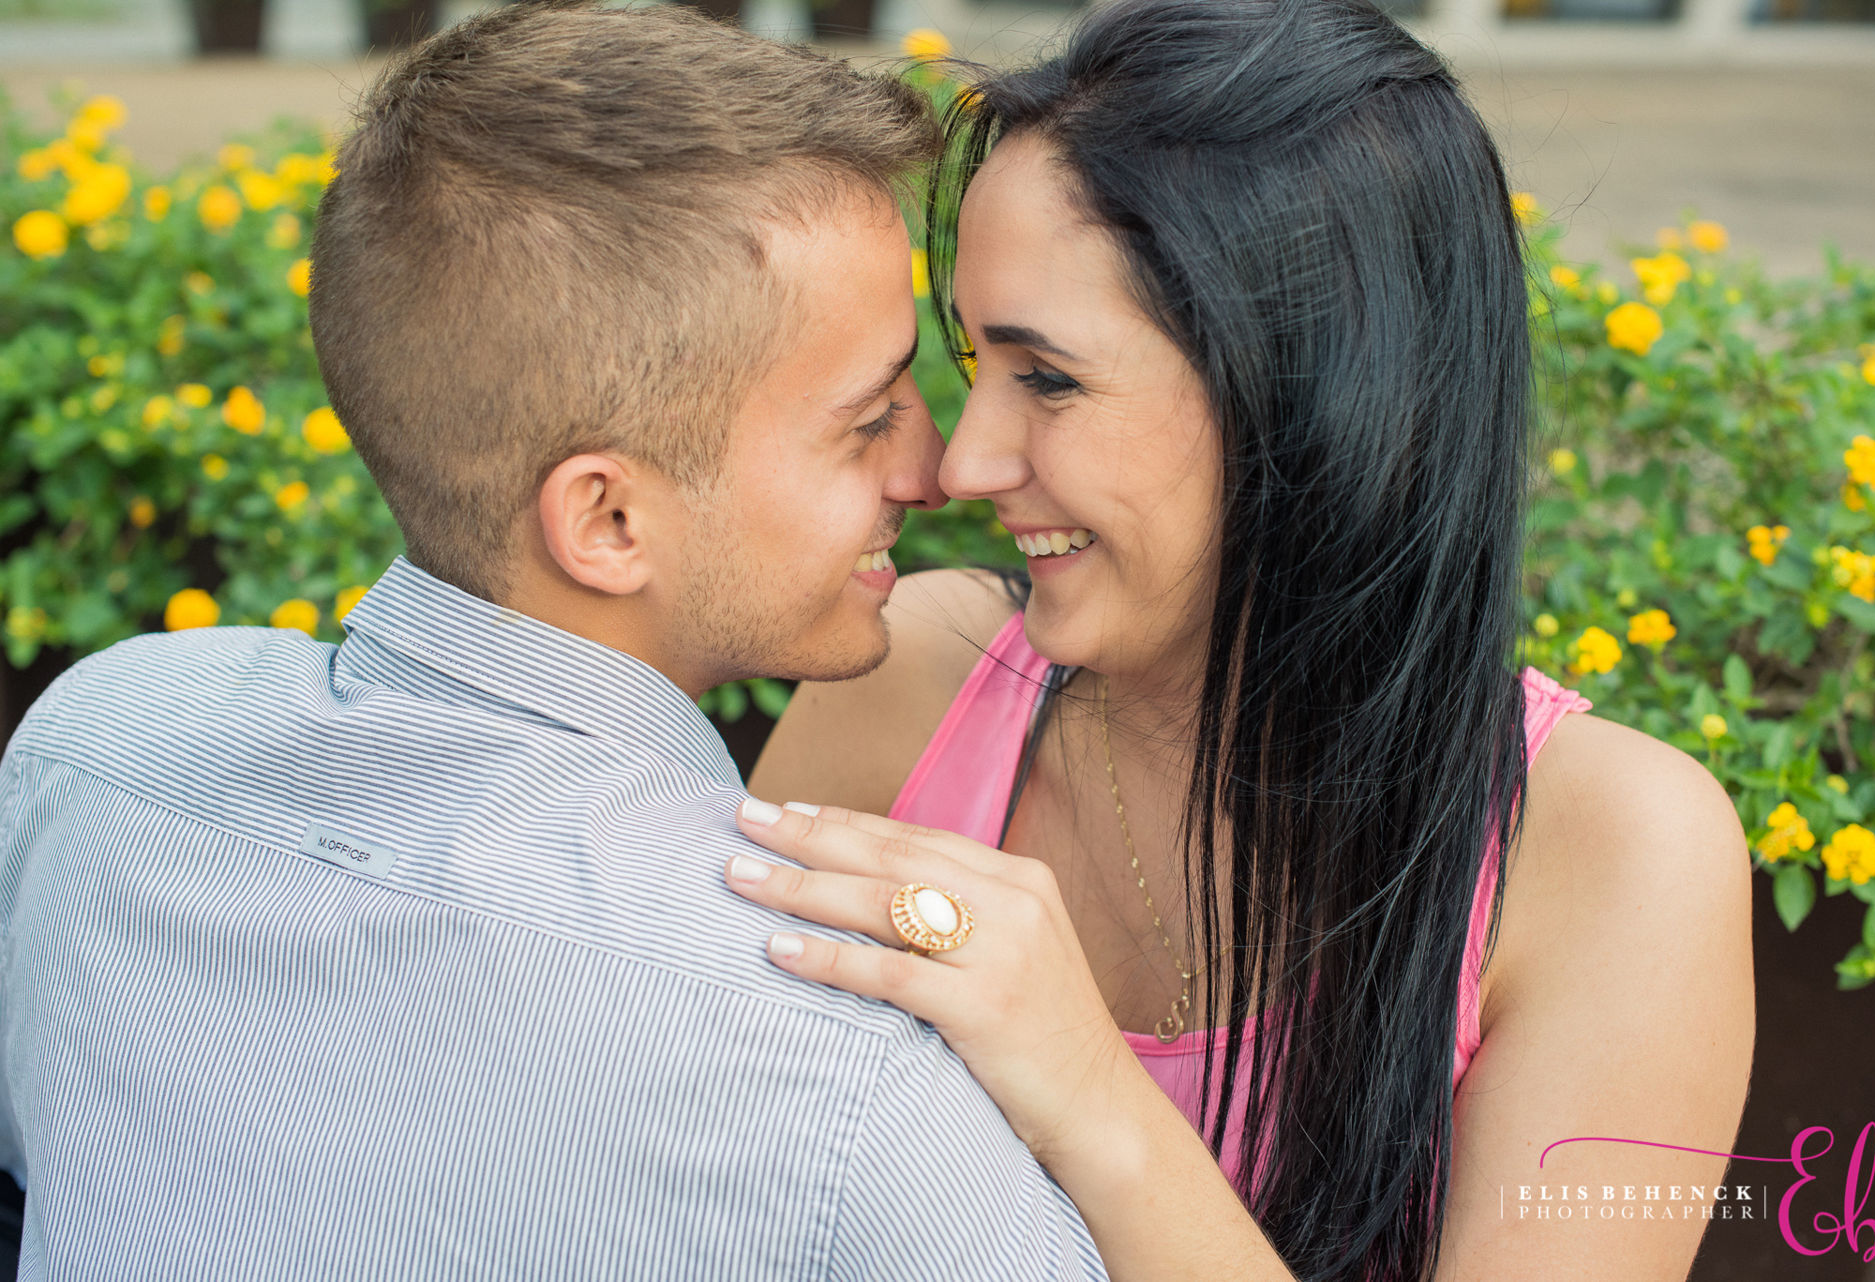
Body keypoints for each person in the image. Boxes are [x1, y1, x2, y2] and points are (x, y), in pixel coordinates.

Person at [0, 4, 1106, 1277]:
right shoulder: (850, 1079)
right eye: (867, 418)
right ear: (609, 517)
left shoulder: (99, 752)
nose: (941, 464)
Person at [737, 0, 1756, 1278]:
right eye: (968, 362)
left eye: (1046, 377)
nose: (964, 458)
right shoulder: (915, 680)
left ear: (1320, 394)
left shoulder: (1611, 855)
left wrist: (1088, 1091)